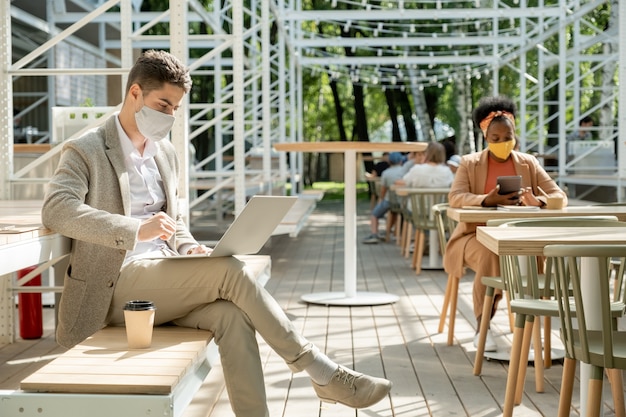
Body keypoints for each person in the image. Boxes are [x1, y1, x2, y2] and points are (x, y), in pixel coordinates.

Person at [41, 50, 391, 417]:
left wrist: (190, 248)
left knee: (231, 316)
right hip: (112, 288)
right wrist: (134, 229)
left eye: (176, 108)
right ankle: (322, 371)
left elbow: (174, 223)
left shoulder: (166, 154)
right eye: (164, 104)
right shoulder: (87, 148)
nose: (170, 116)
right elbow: (57, 208)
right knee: (231, 272)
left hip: (160, 276)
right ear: (134, 94)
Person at [443, 96, 567, 352]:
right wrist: (487, 199)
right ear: (486, 138)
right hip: (473, 236)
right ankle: (483, 326)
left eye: (507, 137)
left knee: (522, 255)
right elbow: (455, 198)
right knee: (492, 253)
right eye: (495, 139)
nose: (502, 143)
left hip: (520, 238)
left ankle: (530, 330)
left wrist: (539, 201)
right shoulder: (469, 163)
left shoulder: (529, 162)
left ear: (514, 134)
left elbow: (559, 197)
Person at [362, 151, 405, 244]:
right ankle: (390, 232)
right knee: (396, 212)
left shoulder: (386, 173)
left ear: (389, 162)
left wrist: (381, 198)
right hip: (404, 202)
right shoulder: (405, 171)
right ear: (401, 161)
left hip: (390, 201)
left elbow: (383, 190)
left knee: (374, 214)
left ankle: (374, 234)